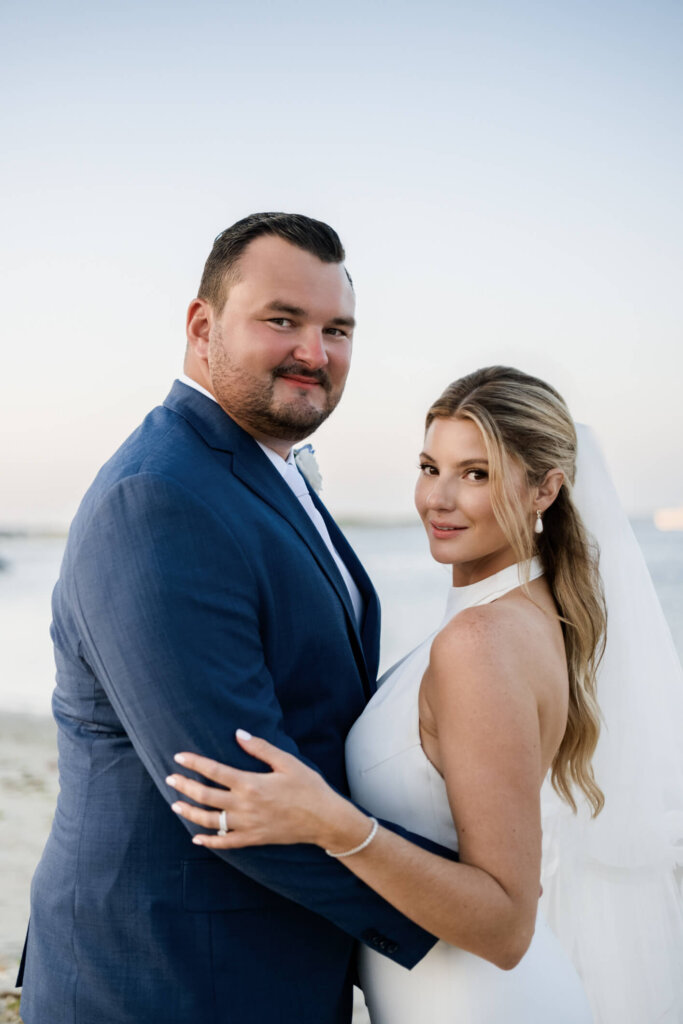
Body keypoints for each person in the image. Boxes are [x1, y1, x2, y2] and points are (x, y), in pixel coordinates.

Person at [18, 213, 451, 1024]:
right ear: (201, 325)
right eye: (281, 320)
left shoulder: (261, 469)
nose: (313, 353)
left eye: (337, 329)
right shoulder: (161, 497)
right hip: (166, 982)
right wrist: (462, 907)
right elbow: (233, 792)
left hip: (260, 969)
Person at [169, 366, 608, 1022]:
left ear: (545, 489)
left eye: (476, 474)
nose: (438, 498)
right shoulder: (526, 613)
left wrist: (332, 824)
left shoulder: (480, 640)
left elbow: (505, 924)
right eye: (430, 467)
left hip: (475, 1003)